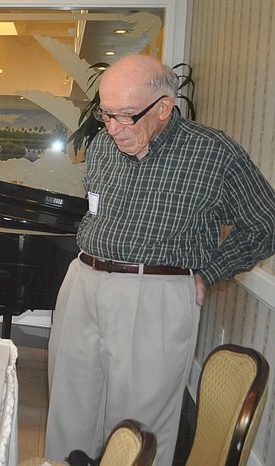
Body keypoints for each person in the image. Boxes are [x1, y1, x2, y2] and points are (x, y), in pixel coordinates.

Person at [44, 54, 275, 466]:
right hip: (84, 281)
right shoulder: (102, 146)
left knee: (138, 423)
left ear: (165, 107)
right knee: (69, 408)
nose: (113, 128)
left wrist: (211, 272)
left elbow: (265, 223)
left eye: (126, 116)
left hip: (155, 294)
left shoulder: (212, 153)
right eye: (106, 113)